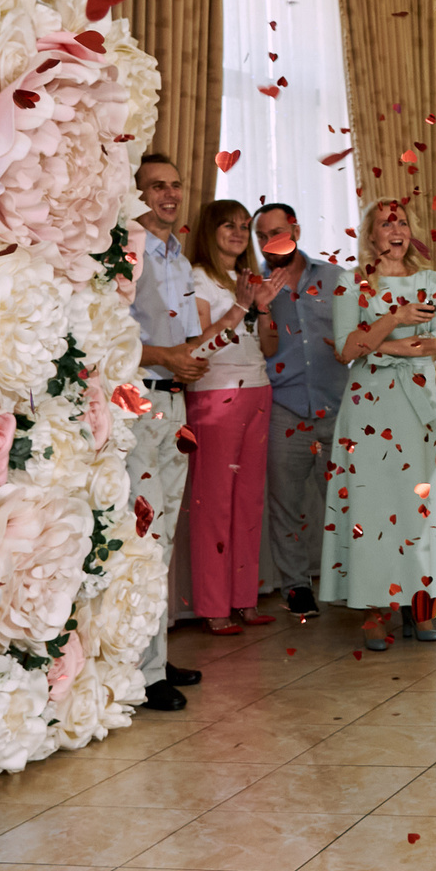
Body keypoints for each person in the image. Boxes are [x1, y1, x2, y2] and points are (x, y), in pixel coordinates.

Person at [324, 198, 436, 649]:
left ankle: (420, 608)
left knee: (420, 506)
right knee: (374, 506)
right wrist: (396, 319)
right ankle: (375, 610)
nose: (396, 229)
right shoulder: (351, 283)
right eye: (386, 223)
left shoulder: (431, 281)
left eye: (401, 221)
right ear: (371, 234)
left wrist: (379, 346)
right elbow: (346, 350)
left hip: (418, 404)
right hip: (369, 407)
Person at [127, 152, 204, 710]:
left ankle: (155, 655)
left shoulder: (179, 257)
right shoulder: (125, 255)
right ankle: (142, 671)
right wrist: (167, 357)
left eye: (175, 185)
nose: (170, 194)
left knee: (166, 534)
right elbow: (109, 339)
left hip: (176, 403)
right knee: (144, 535)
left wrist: (191, 359)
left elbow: (188, 340)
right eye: (157, 186)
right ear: (137, 195)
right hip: (136, 402)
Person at [180, 198, 277, 635]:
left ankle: (244, 600)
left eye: (243, 226)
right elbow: (197, 347)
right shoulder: (196, 277)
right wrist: (239, 307)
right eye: (228, 225)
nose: (238, 233)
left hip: (257, 389)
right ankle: (214, 606)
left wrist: (263, 307)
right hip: (215, 394)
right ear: (210, 231)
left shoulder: (248, 278)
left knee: (249, 501)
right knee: (214, 503)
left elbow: (270, 347)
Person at [253, 202, 347, 620]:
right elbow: (259, 346)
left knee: (344, 502)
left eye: (277, 232)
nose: (270, 242)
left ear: (295, 231)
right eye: (262, 236)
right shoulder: (254, 286)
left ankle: (350, 580)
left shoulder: (337, 279)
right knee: (286, 505)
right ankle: (296, 587)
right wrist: (261, 306)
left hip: (337, 406)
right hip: (284, 408)